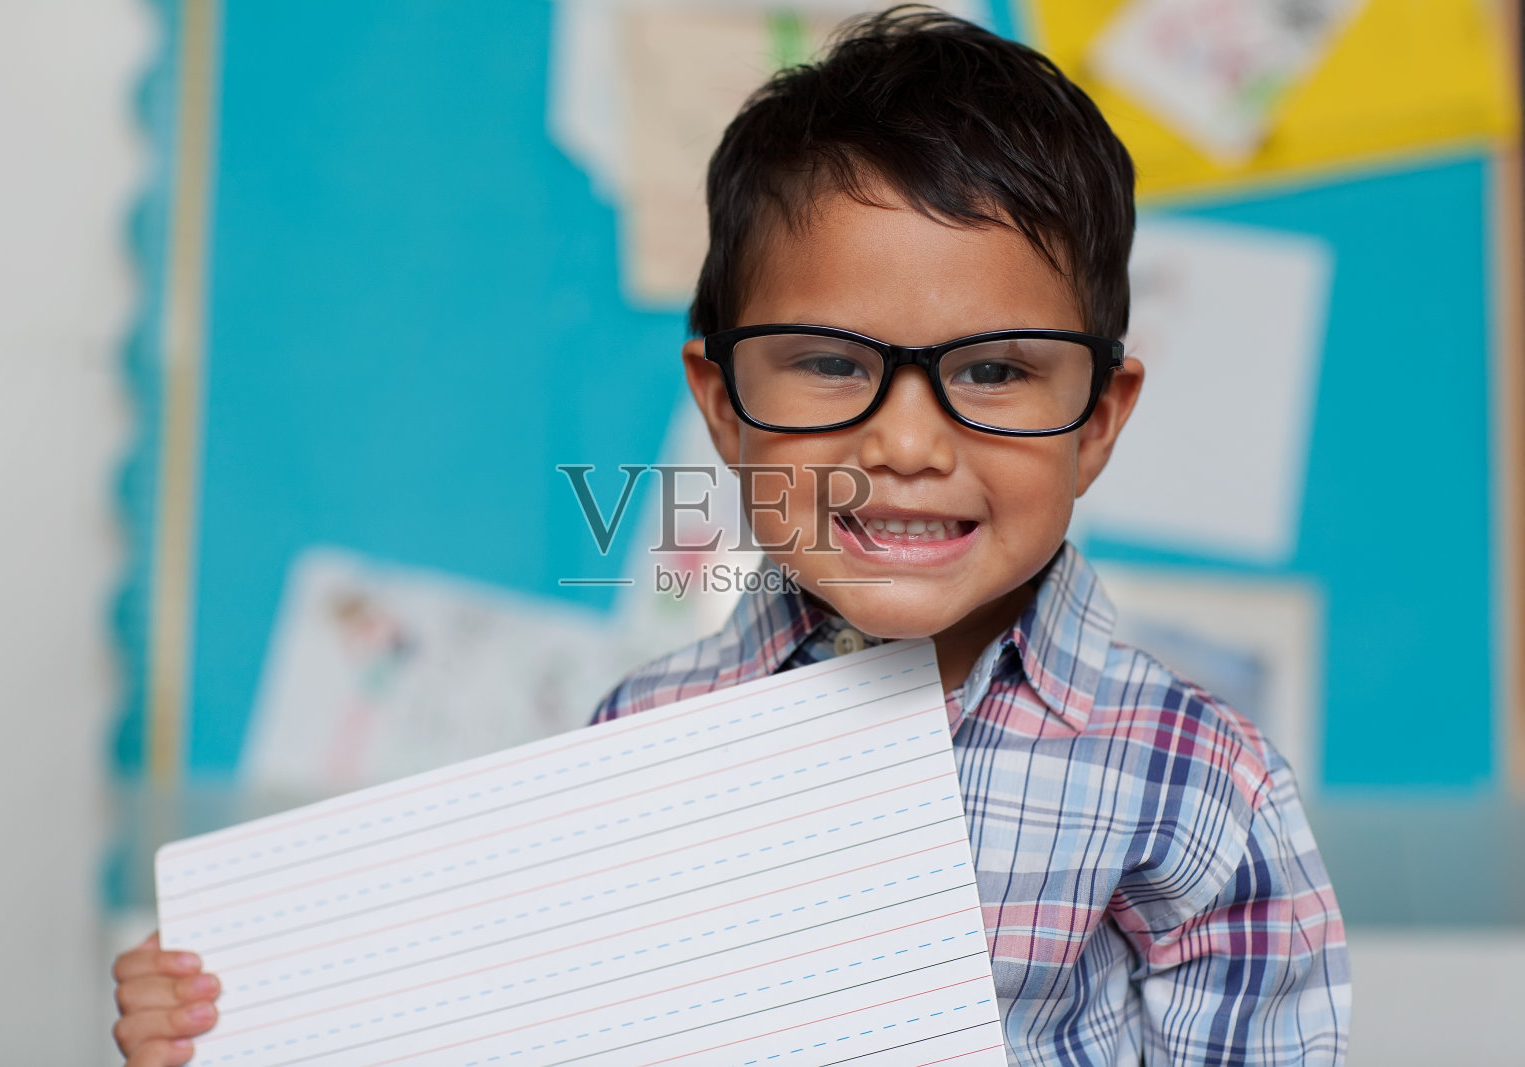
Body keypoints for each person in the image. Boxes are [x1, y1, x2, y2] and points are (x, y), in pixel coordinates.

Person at [111, 7, 1349, 1064]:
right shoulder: (643, 736)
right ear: (721, 404)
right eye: (825, 363)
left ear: (1097, 418)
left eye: (996, 368)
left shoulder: (1198, 785)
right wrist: (245, 1013)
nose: (908, 444)